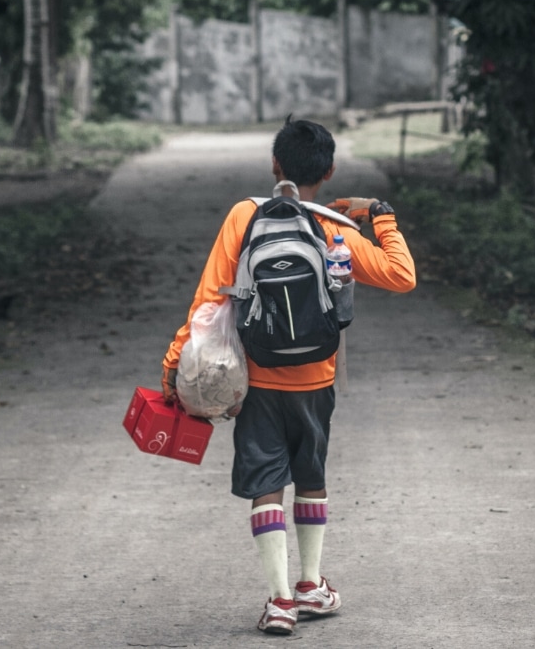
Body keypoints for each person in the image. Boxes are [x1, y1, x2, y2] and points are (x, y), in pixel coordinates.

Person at [161, 116, 416, 635]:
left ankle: (279, 601)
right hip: (316, 379)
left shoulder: (244, 214)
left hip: (257, 378)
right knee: (311, 476)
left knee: (266, 483)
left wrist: (174, 363)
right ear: (330, 170)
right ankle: (311, 585)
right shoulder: (331, 226)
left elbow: (209, 298)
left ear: (275, 165)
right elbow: (402, 275)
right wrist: (381, 216)